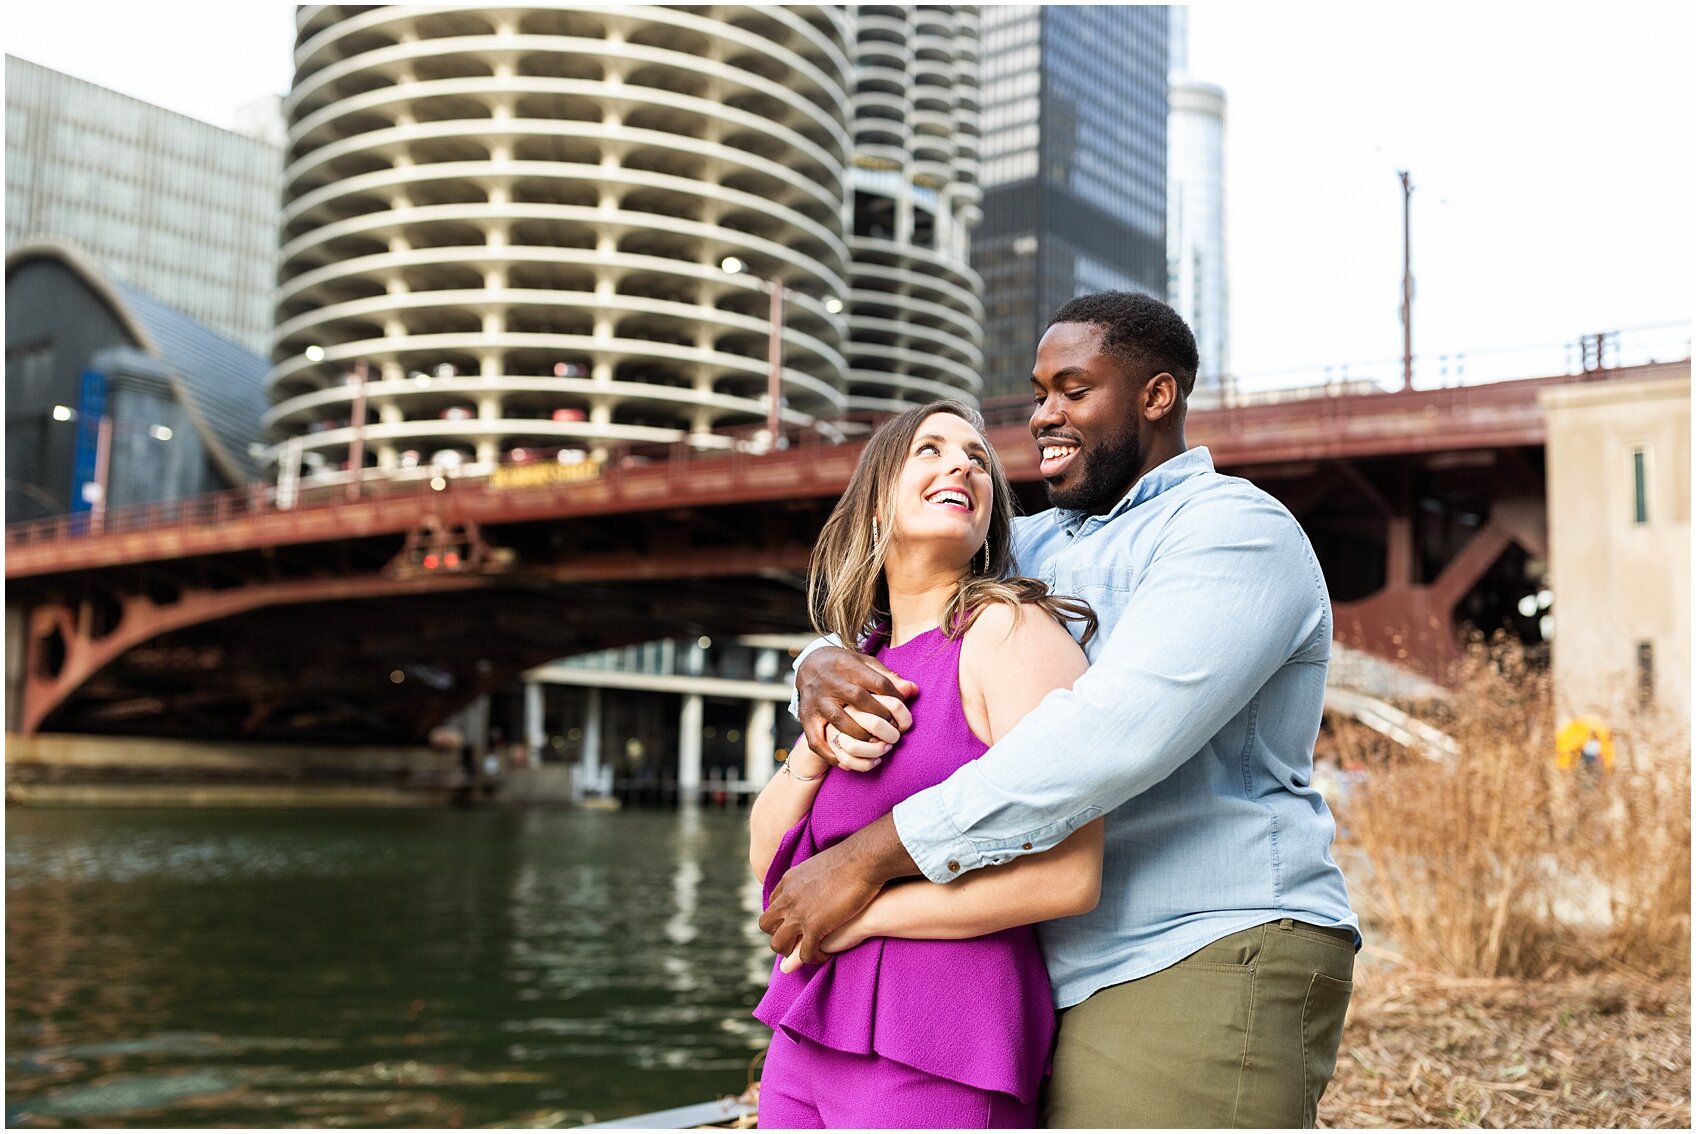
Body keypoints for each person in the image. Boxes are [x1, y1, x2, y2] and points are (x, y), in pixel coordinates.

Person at [760, 291, 1361, 1128]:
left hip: (1199, 943)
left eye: (1073, 391)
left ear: (1156, 397)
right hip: (1042, 965)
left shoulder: (1231, 531)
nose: (1044, 415)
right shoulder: (1033, 547)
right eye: (1039, 393)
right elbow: (906, 622)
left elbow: (1102, 739)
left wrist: (868, 862)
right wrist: (816, 661)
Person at [749, 401, 1105, 1128]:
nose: (962, 465)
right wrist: (814, 751)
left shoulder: (1005, 632)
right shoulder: (855, 664)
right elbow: (769, 863)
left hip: (942, 1037)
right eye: (930, 450)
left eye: (977, 458)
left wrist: (860, 914)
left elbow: (1070, 875)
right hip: (807, 1037)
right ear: (877, 502)